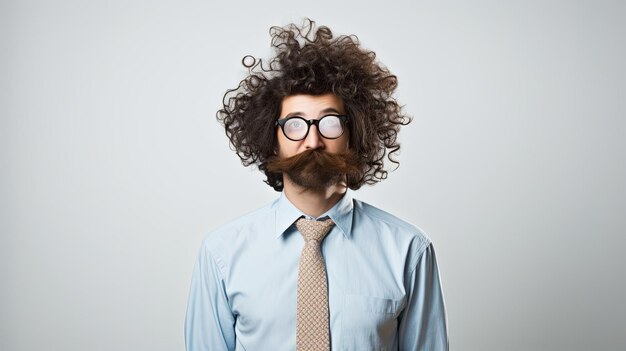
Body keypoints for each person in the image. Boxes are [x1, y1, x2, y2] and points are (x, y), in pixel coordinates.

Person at [185, 19, 448, 351]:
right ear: (271, 138)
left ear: (355, 134)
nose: (312, 140)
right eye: (295, 125)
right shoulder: (221, 253)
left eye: (330, 123)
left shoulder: (408, 250)